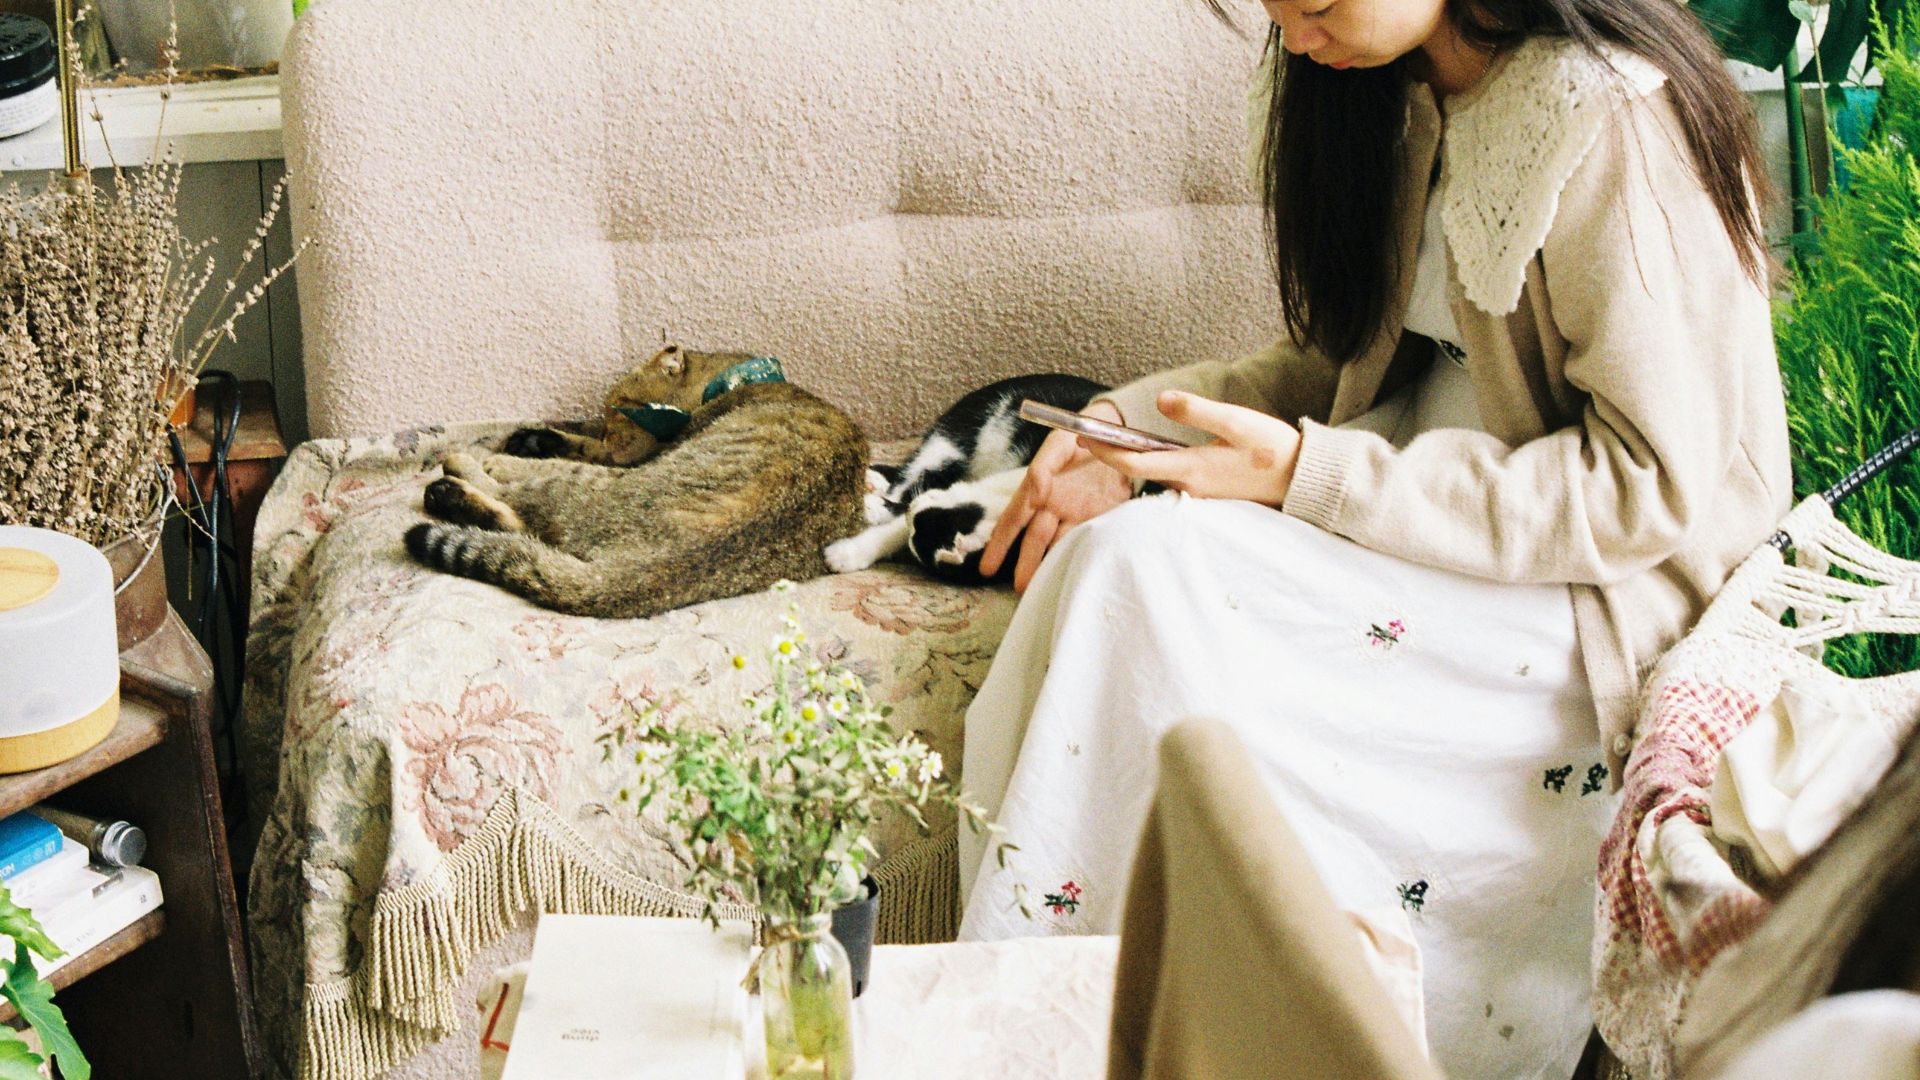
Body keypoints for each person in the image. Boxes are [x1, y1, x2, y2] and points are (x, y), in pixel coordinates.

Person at [955, 0, 1792, 1076]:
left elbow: (1647, 484)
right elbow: (1347, 367)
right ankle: (1066, 1020)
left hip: (1584, 601)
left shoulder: (1614, 117)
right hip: (1415, 538)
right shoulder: (1400, 90)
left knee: (1147, 570)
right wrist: (1129, 428)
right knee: (1107, 557)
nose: (1289, 26)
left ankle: (1061, 1046)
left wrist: (1312, 476)